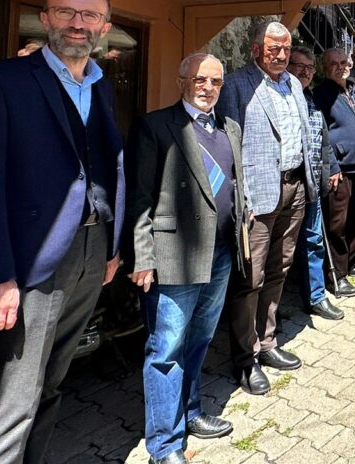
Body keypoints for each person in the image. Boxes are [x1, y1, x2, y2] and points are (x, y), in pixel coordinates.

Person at [0, 0, 125, 464]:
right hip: (30, 261)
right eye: (66, 13)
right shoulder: (1, 81)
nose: (78, 24)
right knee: (11, 401)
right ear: (46, 17)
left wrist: (113, 247)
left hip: (91, 252)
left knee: (53, 384)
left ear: (104, 28)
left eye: (90, 17)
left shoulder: (100, 84)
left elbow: (103, 165)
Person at [126, 53, 246, 464]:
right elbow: (140, 198)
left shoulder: (230, 127)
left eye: (215, 81)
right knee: (166, 350)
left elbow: (234, 188)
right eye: (199, 79)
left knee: (200, 340)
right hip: (173, 257)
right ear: (182, 81)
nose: (207, 87)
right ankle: (165, 444)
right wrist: (142, 256)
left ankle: (191, 411)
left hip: (221, 253)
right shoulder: (155, 126)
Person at [216, 21, 317, 394]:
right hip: (258, 197)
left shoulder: (292, 83)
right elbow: (229, 149)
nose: (280, 55)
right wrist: (240, 201)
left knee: (280, 269)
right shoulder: (237, 84)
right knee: (251, 278)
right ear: (256, 49)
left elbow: (303, 137)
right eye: (273, 49)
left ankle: (268, 341)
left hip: (293, 187)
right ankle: (245, 358)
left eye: (286, 49)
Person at [284, 46, 346, 318]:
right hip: (283, 187)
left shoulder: (310, 98)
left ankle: (316, 296)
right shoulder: (280, 96)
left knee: (313, 240)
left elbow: (324, 139)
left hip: (311, 184)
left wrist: (331, 166)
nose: (305, 72)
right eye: (299, 66)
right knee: (280, 250)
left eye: (309, 68)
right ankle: (270, 312)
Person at [311, 47, 355, 294]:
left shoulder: (354, 89)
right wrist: (333, 166)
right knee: (336, 226)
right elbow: (322, 133)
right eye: (334, 63)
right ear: (325, 69)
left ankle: (349, 262)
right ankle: (336, 276)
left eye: (344, 62)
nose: (341, 66)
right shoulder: (321, 94)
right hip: (341, 171)